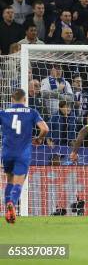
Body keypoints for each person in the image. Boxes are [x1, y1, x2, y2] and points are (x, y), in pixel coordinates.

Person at [0, 89, 49, 224]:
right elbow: (45, 129)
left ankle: (7, 209)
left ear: (11, 99)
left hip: (7, 152)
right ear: (25, 99)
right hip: (23, 152)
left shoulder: (3, 113)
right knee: (18, 183)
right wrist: (39, 139)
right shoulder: (32, 112)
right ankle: (12, 203)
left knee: (9, 181)